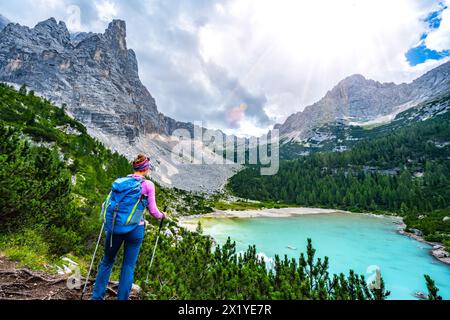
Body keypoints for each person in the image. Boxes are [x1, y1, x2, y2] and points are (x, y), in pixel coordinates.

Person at [92, 154, 165, 300]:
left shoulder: (119, 182)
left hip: (115, 227)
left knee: (107, 261)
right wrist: (163, 216)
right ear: (145, 169)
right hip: (135, 230)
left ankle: (96, 297)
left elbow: (105, 204)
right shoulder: (147, 185)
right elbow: (154, 212)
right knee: (128, 266)